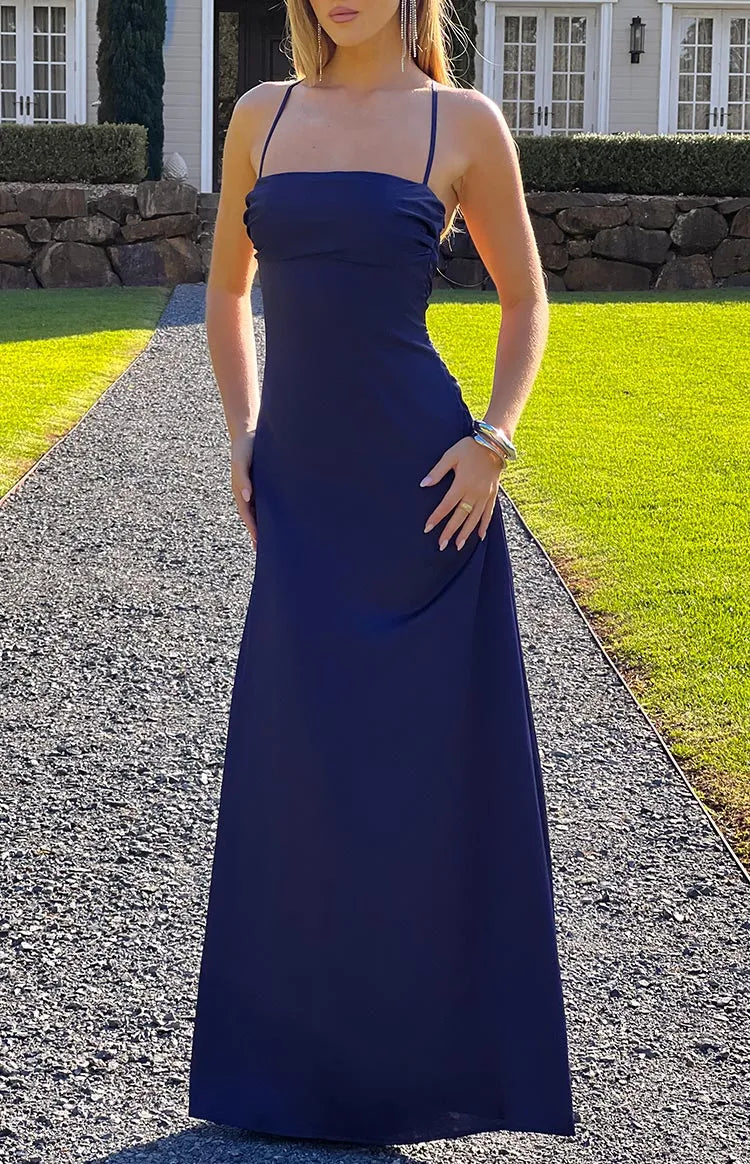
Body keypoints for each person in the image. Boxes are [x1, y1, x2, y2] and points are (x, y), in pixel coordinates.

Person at [188, 0, 575, 1147]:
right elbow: (225, 292)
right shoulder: (261, 115)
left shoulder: (463, 123)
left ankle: (413, 1076)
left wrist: (494, 440)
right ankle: (292, 1073)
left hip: (423, 499)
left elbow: (527, 300)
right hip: (304, 492)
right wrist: (242, 433)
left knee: (416, 782)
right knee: (299, 769)